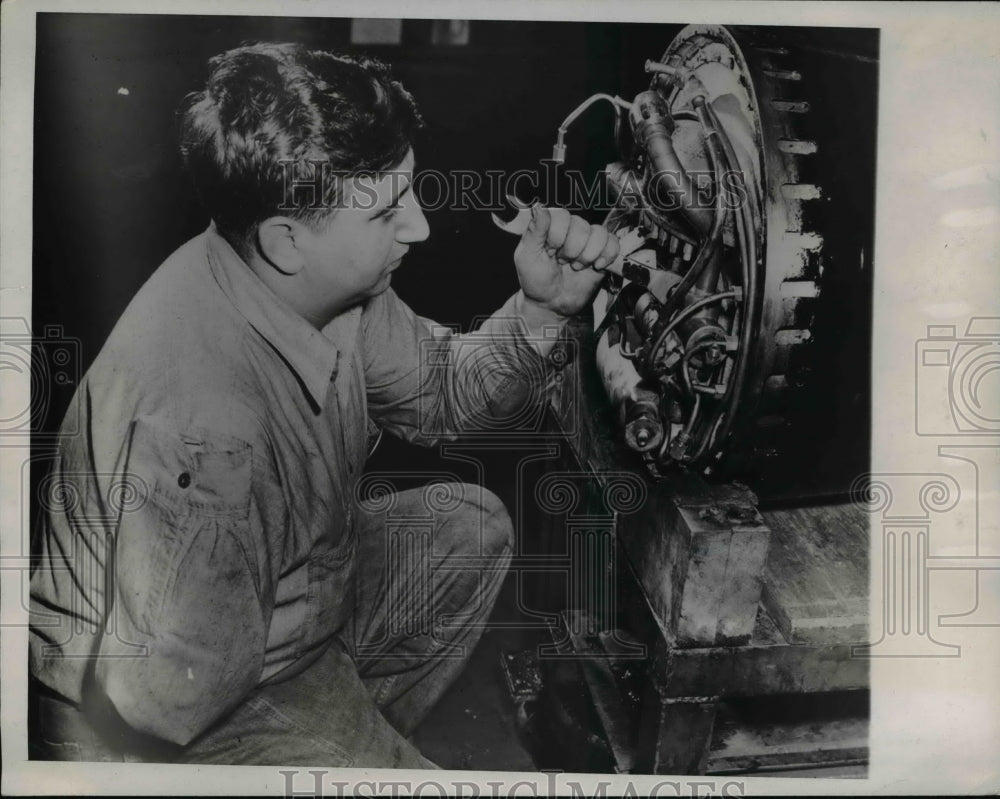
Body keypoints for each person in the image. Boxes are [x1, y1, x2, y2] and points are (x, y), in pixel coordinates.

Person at [29, 41, 619, 768]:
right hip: (190, 712)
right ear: (287, 240)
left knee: (470, 528)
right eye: (386, 214)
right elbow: (161, 703)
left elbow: (440, 392)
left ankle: (345, 735)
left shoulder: (321, 287)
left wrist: (541, 308)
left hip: (275, 614)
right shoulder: (208, 430)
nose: (420, 227)